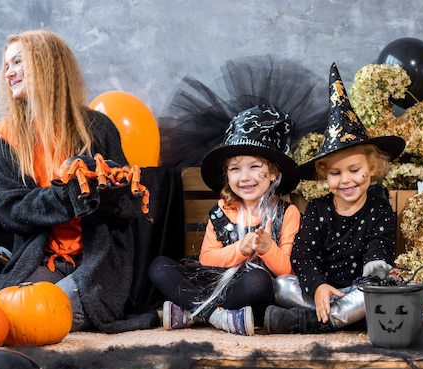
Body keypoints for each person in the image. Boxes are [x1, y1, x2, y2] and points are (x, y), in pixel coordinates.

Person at [0, 29, 158, 333]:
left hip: (96, 262)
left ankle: (86, 303)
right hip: (43, 259)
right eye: (6, 66)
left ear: (47, 64)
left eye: (18, 62)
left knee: (49, 312)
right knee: (5, 314)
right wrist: (69, 194)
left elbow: (129, 210)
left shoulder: (98, 128)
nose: (9, 73)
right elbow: (10, 210)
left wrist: (110, 191)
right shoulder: (7, 135)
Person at [264, 63, 406, 334]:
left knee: (380, 289)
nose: (346, 180)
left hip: (358, 288)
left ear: (372, 168)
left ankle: (309, 321)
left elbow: (380, 246)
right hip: (323, 288)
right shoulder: (318, 210)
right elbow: (304, 255)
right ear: (324, 174)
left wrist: (376, 273)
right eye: (336, 173)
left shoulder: (380, 209)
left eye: (355, 170)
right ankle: (340, 316)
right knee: (281, 284)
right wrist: (317, 286)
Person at [148, 103, 301, 335]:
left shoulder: (287, 213)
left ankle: (190, 312)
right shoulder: (222, 211)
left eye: (254, 166)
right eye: (235, 169)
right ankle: (217, 316)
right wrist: (240, 248)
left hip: (248, 294)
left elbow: (287, 273)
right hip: (215, 284)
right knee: (159, 266)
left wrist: (267, 248)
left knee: (259, 280)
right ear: (226, 174)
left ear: (273, 173)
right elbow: (207, 260)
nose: (244, 177)